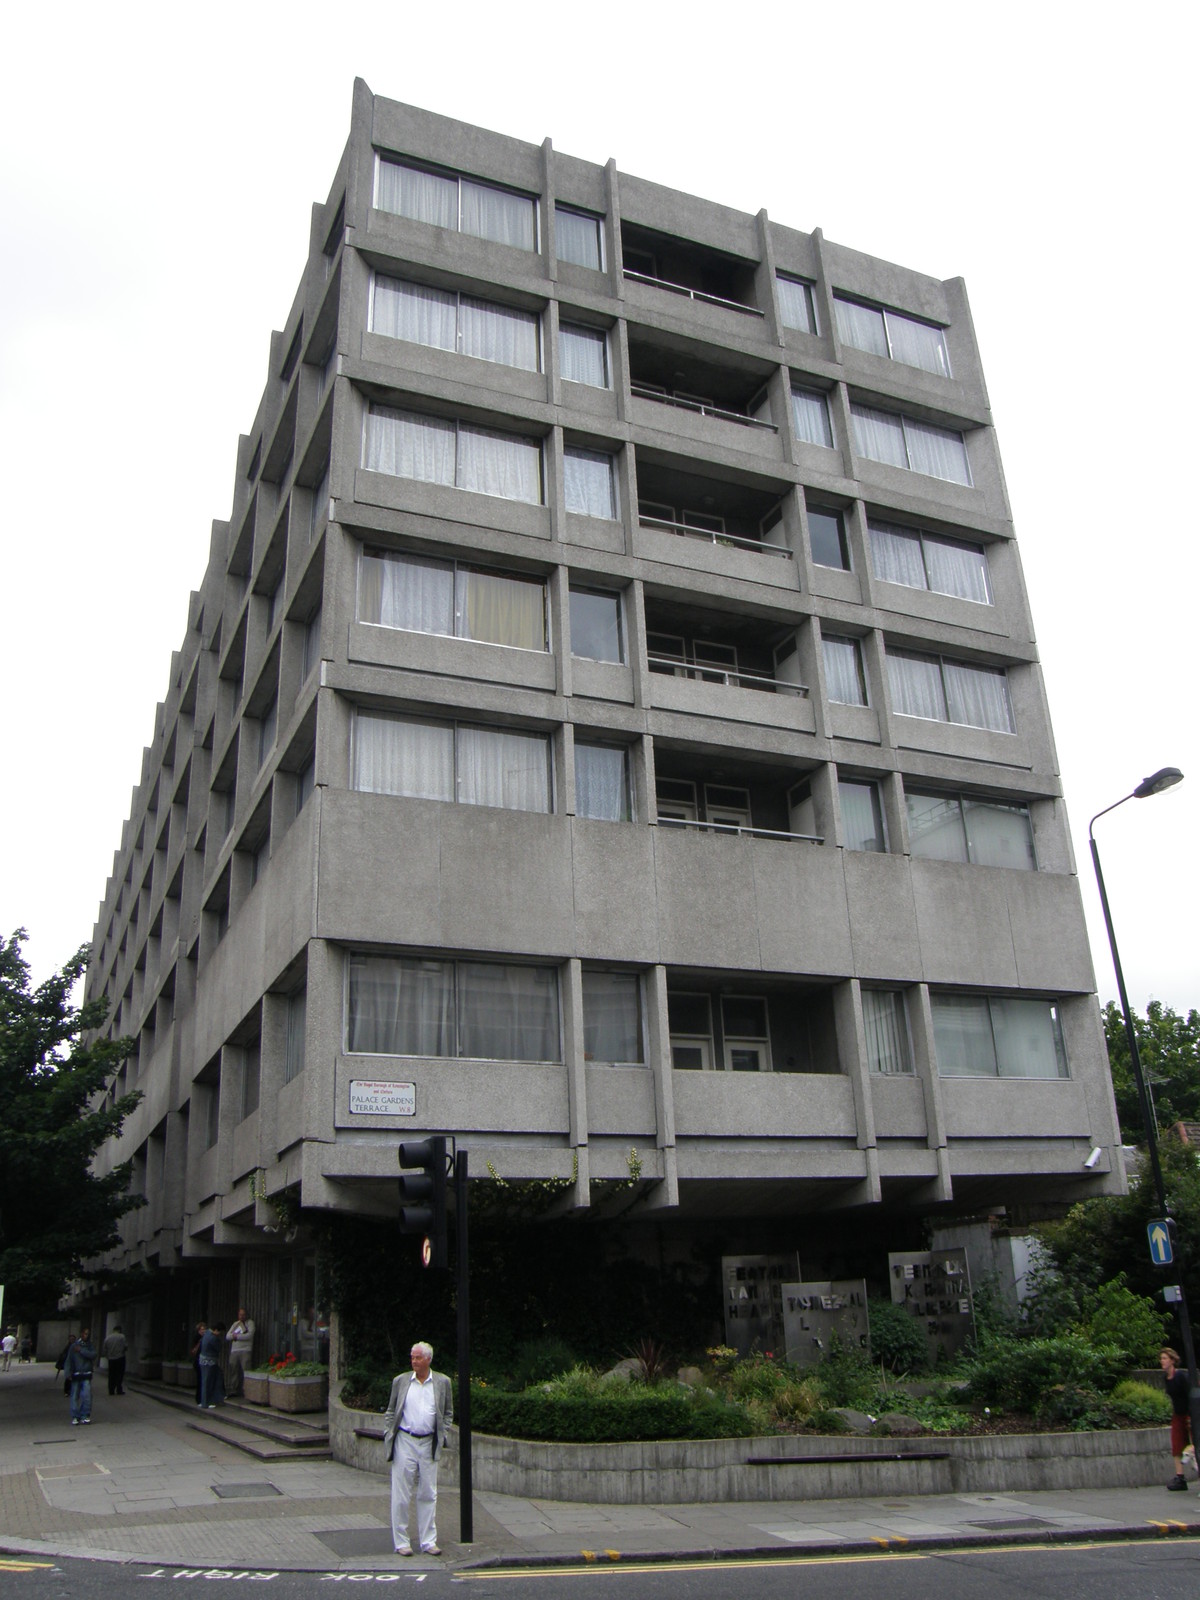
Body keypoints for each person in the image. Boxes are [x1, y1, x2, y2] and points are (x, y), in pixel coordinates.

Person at [382, 1340, 453, 1558]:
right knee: (401, 1494)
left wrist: (443, 1435)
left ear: (428, 1360)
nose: (414, 1361)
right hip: (405, 1440)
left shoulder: (442, 1382)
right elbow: (391, 1411)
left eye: (418, 1358)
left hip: (429, 1443)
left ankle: (428, 1541)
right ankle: (401, 1542)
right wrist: (388, 1434)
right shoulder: (401, 1381)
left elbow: (448, 1412)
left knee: (428, 1493)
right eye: (412, 1357)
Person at [1162, 1347, 1192, 1490]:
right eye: (1161, 1359)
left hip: (1189, 1413)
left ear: (1172, 1361)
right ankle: (1180, 1477)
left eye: (1165, 1358)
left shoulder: (1181, 1376)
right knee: (1177, 1444)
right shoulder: (1165, 1378)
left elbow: (1190, 1394)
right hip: (1178, 1414)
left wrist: (1193, 1415)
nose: (1162, 1361)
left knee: (1194, 1444)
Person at [65, 1329, 97, 1425]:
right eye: (85, 1333)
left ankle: (85, 1415)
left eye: (88, 1334)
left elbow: (93, 1355)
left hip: (86, 1374)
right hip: (76, 1374)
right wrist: (68, 1373)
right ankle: (75, 1416)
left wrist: (81, 1350)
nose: (86, 1336)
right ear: (81, 1334)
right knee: (74, 1395)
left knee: (86, 1396)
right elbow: (69, 1360)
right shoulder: (74, 1346)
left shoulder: (89, 1346)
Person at [226, 1309, 255, 1397]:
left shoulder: (250, 1323)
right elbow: (228, 1336)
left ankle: (247, 1390)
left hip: (245, 1350)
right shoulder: (236, 1324)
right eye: (240, 1315)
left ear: (246, 1315)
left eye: (243, 1315)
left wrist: (236, 1336)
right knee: (233, 1368)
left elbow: (249, 1335)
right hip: (234, 1350)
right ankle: (234, 1389)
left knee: (246, 1369)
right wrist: (233, 1336)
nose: (242, 1316)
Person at [198, 1323, 223, 1409]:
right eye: (219, 1332)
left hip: (202, 1360)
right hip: (210, 1361)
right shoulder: (213, 1338)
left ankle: (203, 1401)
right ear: (216, 1330)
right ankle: (207, 1402)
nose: (219, 1334)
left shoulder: (206, 1334)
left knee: (204, 1381)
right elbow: (218, 1348)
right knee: (209, 1382)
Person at [102, 1325, 128, 1395]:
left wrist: (108, 1356)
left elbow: (104, 1349)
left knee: (111, 1375)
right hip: (120, 1357)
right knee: (119, 1374)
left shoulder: (107, 1338)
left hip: (111, 1359)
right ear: (119, 1330)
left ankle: (111, 1390)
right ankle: (119, 1389)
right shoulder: (122, 1337)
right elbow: (125, 1346)